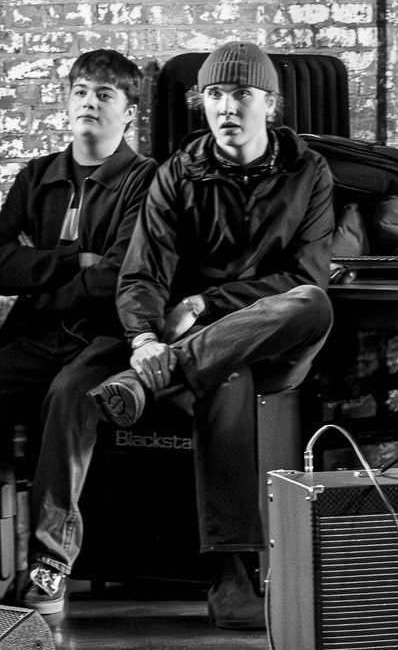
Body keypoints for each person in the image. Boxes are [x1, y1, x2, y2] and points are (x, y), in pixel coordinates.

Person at [95, 40, 336, 628]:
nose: (227, 107)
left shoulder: (309, 172)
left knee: (313, 302)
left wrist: (206, 302)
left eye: (242, 94)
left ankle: (163, 376)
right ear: (201, 102)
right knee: (224, 379)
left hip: (279, 339)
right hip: (213, 355)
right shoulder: (177, 174)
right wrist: (143, 341)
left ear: (270, 104)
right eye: (216, 95)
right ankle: (232, 582)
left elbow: (303, 277)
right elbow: (141, 274)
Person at [0, 50, 157, 617]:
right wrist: (71, 261)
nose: (89, 103)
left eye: (104, 94)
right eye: (81, 92)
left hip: (107, 338)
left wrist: (42, 280)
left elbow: (119, 274)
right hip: (37, 335)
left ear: (129, 112)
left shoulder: (145, 181)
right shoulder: (38, 176)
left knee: (68, 399)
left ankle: (50, 563)